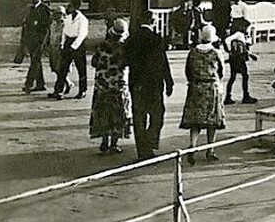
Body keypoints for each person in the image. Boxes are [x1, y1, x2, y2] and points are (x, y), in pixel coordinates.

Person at [123, 10, 174, 160]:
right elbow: (163, 62)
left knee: (139, 117)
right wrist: (169, 81)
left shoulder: (131, 39)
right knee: (157, 114)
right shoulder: (156, 39)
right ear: (153, 21)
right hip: (154, 83)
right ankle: (150, 142)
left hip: (136, 82)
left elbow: (125, 60)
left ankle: (142, 150)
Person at [180, 25, 225, 165]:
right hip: (211, 87)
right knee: (212, 121)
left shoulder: (192, 52)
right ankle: (210, 149)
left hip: (196, 87)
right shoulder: (216, 53)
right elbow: (222, 71)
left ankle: (193, 146)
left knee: (195, 120)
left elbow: (187, 70)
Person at [89, 18, 131, 154]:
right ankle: (114, 144)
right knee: (118, 114)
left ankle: (104, 141)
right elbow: (127, 63)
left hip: (102, 84)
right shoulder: (124, 48)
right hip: (118, 85)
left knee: (103, 112)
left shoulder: (102, 45)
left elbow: (94, 62)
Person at [49, 0, 89, 100]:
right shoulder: (68, 17)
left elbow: (82, 35)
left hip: (78, 45)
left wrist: (73, 46)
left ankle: (82, 90)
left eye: (70, 6)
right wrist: (63, 45)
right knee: (62, 69)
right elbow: (64, 32)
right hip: (68, 42)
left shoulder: (82, 19)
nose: (67, 8)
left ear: (75, 7)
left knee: (81, 69)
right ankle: (59, 91)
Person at [17, 0, 51, 93]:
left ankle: (28, 84)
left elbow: (46, 28)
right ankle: (40, 84)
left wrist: (43, 42)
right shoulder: (31, 9)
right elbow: (26, 26)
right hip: (31, 41)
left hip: (40, 42)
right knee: (36, 62)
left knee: (35, 63)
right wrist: (24, 41)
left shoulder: (44, 9)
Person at [223, 24, 257, 105]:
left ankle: (228, 96)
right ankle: (245, 96)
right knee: (245, 76)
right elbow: (227, 40)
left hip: (235, 58)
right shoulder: (239, 34)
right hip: (239, 58)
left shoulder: (240, 35)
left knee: (233, 77)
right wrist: (230, 51)